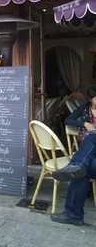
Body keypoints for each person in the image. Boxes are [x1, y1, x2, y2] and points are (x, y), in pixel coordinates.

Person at [51, 86, 96, 225]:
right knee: (82, 172)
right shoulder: (84, 108)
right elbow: (68, 120)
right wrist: (84, 123)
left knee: (91, 138)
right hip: (91, 157)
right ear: (91, 99)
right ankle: (73, 216)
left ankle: (76, 164)